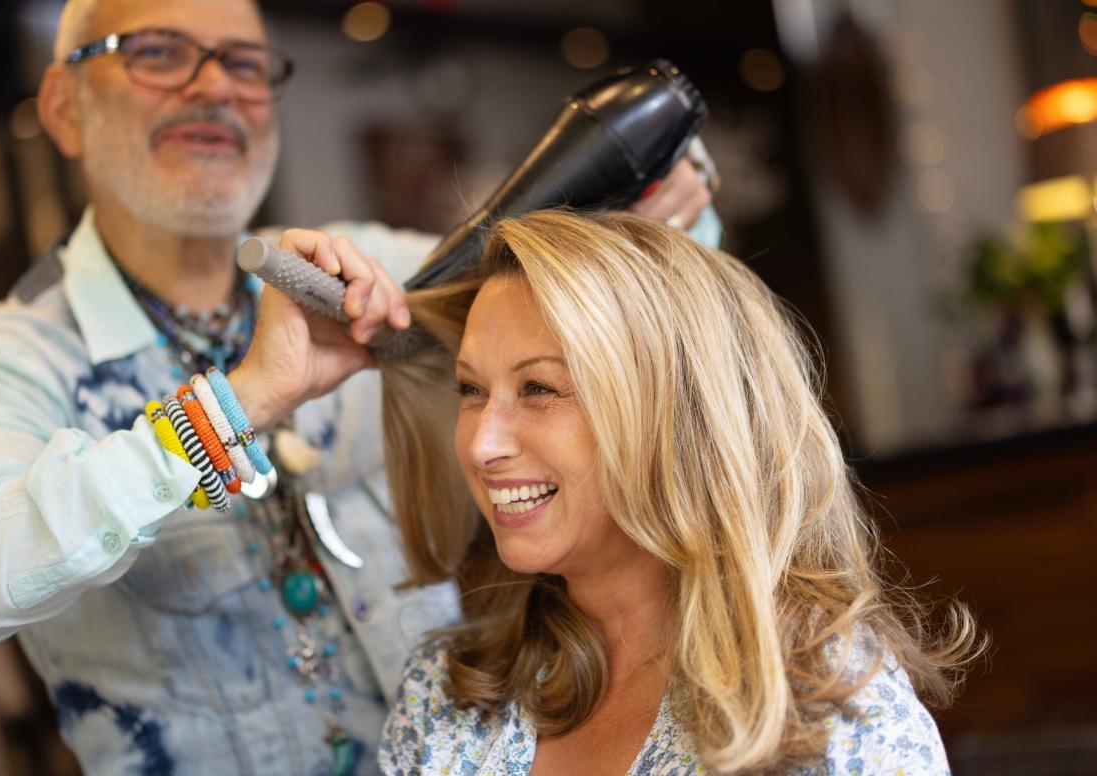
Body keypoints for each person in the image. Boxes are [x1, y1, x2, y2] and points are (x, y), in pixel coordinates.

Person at [0, 0, 717, 772]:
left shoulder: (371, 272)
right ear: (63, 107)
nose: (215, 85)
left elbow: (637, 307)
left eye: (245, 64)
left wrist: (672, 200)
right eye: (157, 53)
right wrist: (238, 402)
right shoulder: (4, 362)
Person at [377, 210, 983, 775]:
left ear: (677, 416)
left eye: (539, 388)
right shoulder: (446, 695)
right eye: (471, 390)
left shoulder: (835, 718)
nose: (482, 445)